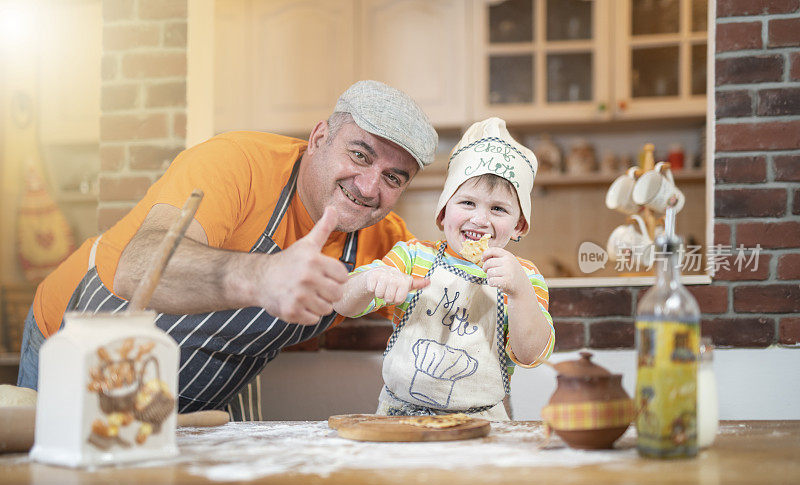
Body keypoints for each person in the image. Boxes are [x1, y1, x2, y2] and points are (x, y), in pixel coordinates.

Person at [17, 80, 438, 421]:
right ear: (319, 137)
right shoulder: (236, 164)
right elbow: (139, 266)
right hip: (75, 346)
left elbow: (454, 281)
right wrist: (264, 277)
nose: (368, 188)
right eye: (359, 155)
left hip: (199, 399)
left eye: (393, 178)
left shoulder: (383, 243)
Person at [333, 117, 555, 421]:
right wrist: (371, 281)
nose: (480, 219)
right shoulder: (413, 257)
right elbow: (343, 301)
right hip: (400, 418)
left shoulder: (525, 277)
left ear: (519, 225)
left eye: (498, 209)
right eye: (467, 203)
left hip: (482, 423)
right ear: (443, 213)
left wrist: (519, 293)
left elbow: (531, 355)